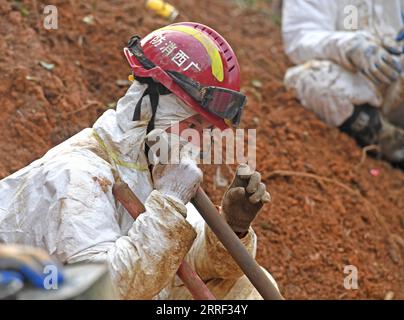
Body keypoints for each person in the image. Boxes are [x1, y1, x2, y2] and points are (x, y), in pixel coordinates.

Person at [0, 22, 280, 299]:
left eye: (206, 131)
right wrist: (169, 203)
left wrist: (233, 228)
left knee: (245, 289)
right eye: (192, 125)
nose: (196, 143)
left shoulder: (149, 168)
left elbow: (193, 258)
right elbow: (101, 291)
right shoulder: (75, 175)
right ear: (149, 106)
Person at [282, 0, 404, 165]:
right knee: (309, 79)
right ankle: (386, 138)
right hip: (354, 82)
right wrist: (351, 47)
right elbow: (299, 38)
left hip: (398, 82)